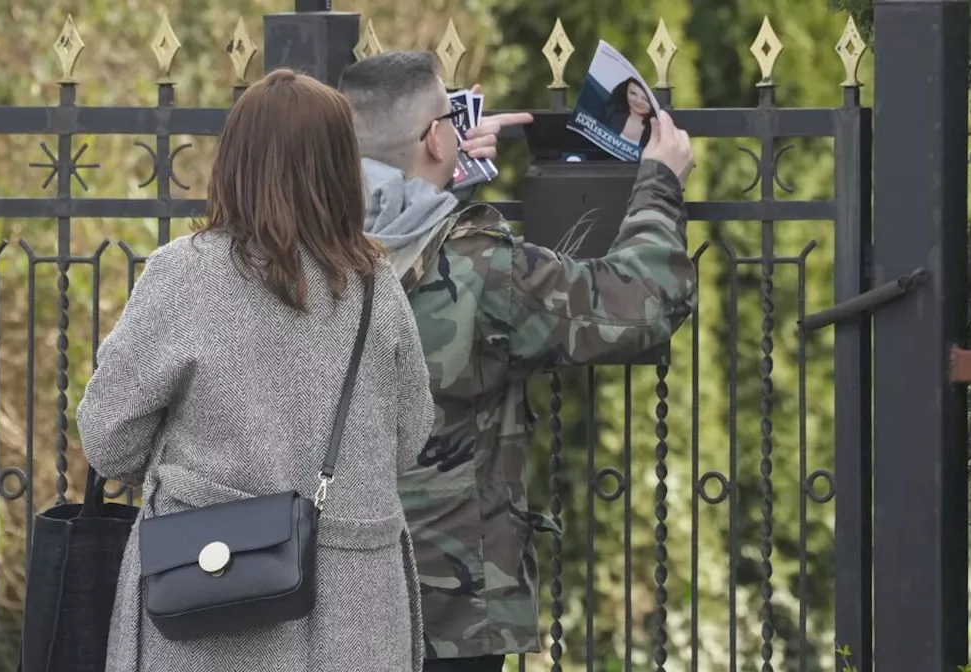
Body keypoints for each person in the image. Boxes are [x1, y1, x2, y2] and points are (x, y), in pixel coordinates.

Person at [340, 52, 698, 672]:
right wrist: (660, 182)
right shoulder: (483, 270)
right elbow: (642, 303)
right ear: (433, 136)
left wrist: (434, 180)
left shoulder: (289, 246)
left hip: (321, 601)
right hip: (446, 612)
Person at [77, 69, 434, 671]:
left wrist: (192, 472)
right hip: (358, 612)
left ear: (235, 161)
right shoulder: (378, 288)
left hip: (206, 593)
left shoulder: (184, 276)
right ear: (340, 166)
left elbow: (107, 438)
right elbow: (409, 438)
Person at [605, 77, 654, 147]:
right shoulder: (612, 116)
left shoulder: (656, 131)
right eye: (633, 93)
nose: (638, 101)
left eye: (646, 99)